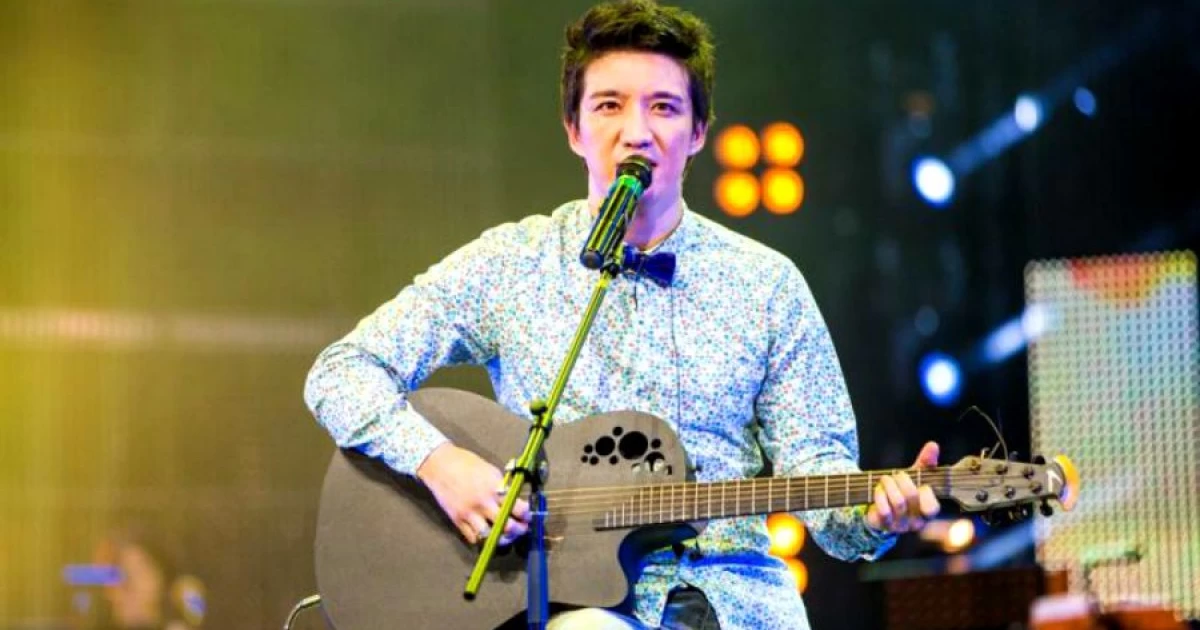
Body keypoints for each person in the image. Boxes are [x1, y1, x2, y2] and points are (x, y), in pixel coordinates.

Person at [303, 1, 940, 628]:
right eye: (609, 105)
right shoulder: (512, 264)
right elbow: (340, 372)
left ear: (698, 132)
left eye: (663, 107)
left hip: (737, 602)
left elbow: (821, 481)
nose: (636, 132)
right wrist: (439, 463)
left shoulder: (767, 284)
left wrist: (872, 518)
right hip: (562, 604)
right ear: (573, 129)